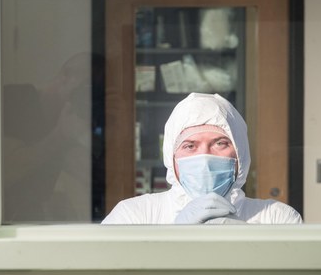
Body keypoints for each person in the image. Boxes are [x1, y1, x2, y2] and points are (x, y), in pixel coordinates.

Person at [102, 92, 302, 224]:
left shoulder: (276, 218)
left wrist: (248, 246)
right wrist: (172, 240)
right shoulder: (134, 216)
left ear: (241, 153)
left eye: (220, 143)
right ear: (171, 159)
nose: (204, 158)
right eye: (190, 146)